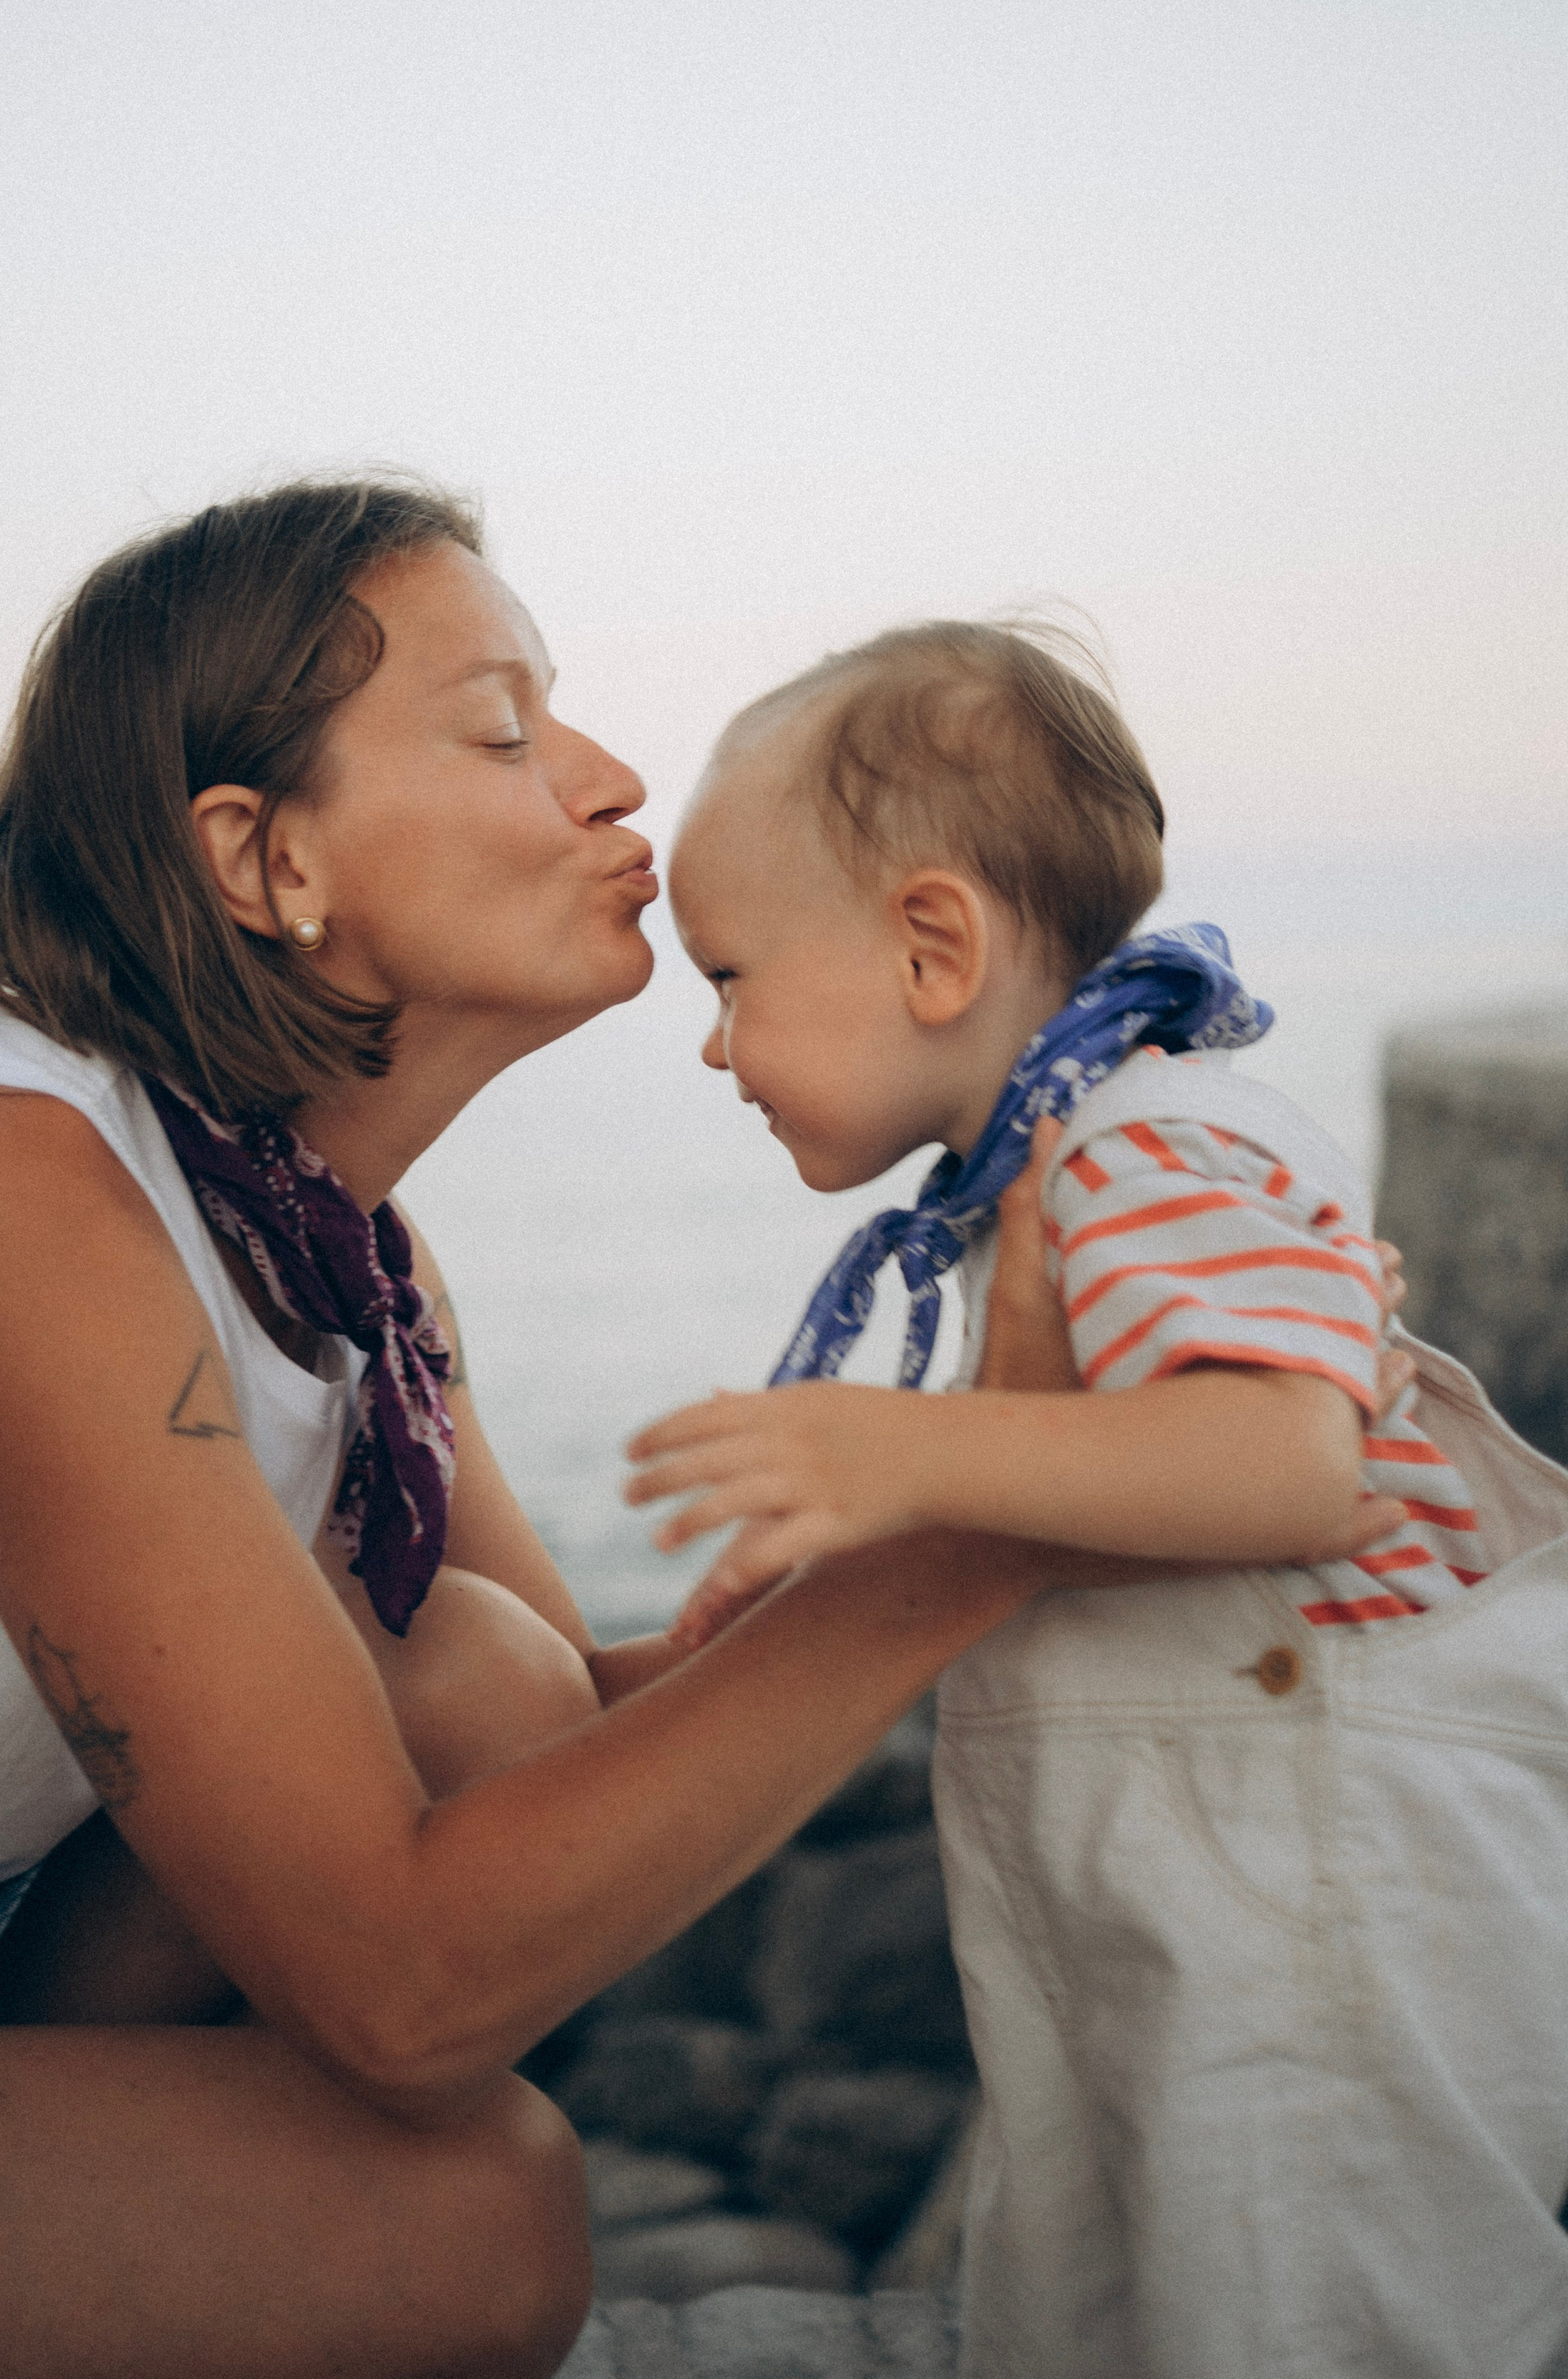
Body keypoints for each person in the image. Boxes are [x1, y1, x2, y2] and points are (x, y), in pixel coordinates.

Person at [0, 487, 1342, 2379]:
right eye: (507, 730)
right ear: (263, 864)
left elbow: (564, 1741)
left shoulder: (347, 1264)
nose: (606, 781)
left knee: (485, 1686)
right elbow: (408, 1993)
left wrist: (784, 1600)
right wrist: (992, 1502)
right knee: (474, 2227)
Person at [628, 619, 1568, 2379]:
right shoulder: (1078, 1154)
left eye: (727, 977)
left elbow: (1284, 1462)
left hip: (1317, 1895)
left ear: (930, 943)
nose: (713, 1045)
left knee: (1319, 2315)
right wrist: (860, 1546)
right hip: (1214, 1872)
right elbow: (1115, 1483)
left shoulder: (1143, 1142)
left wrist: (900, 1452)